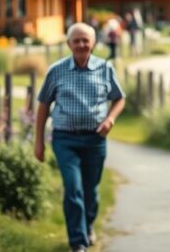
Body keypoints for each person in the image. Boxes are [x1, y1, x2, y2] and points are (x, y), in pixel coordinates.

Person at [34, 22, 126, 252]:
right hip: (65, 140)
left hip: (95, 140)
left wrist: (110, 119)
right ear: (69, 44)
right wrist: (38, 142)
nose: (82, 44)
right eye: (77, 40)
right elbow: (43, 105)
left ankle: (88, 226)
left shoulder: (105, 68)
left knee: (90, 191)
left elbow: (119, 98)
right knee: (73, 188)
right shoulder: (57, 70)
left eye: (86, 40)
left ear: (94, 43)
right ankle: (78, 242)